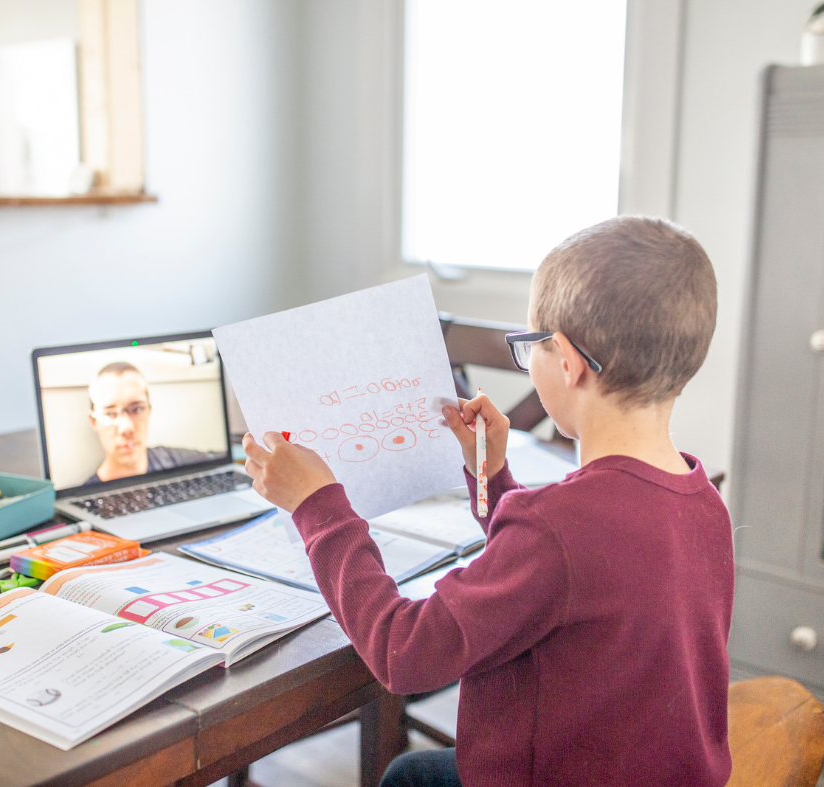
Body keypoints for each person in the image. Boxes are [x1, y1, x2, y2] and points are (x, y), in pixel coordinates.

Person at [241, 217, 733, 786]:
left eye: (532, 348)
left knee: (406, 779)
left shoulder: (559, 528)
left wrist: (318, 506)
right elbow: (564, 576)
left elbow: (404, 653)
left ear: (568, 363)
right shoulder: (701, 501)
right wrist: (491, 474)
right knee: (414, 771)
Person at [85, 361, 220, 485]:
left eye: (137, 409)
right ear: (93, 421)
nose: (127, 427)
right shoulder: (86, 499)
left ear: (149, 410)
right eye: (111, 414)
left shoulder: (173, 461)